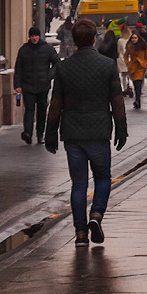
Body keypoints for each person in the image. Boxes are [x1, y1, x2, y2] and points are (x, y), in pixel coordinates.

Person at [46, 18, 127, 246]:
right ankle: (96, 215)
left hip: (73, 134)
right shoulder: (107, 65)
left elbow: (56, 104)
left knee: (79, 184)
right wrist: (121, 128)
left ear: (74, 39)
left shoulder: (64, 67)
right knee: (102, 178)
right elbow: (117, 100)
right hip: (99, 131)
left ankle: (81, 233)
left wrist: (50, 133)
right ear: (94, 39)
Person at [14, 26, 57, 146]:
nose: (34, 38)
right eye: (32, 36)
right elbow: (18, 68)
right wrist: (17, 84)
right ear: (29, 37)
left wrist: (49, 76)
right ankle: (27, 133)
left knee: (42, 110)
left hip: (43, 85)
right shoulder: (23, 50)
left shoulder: (48, 49)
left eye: (36, 35)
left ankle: (40, 134)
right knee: (29, 109)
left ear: (39, 36)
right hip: (28, 85)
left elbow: (56, 64)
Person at [124, 26, 147, 110]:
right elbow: (126, 55)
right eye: (132, 38)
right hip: (133, 67)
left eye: (135, 38)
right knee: (135, 83)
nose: (134, 39)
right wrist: (128, 63)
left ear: (138, 38)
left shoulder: (143, 45)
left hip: (141, 67)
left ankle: (137, 100)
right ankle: (137, 100)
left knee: (138, 84)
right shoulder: (129, 46)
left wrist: (146, 63)